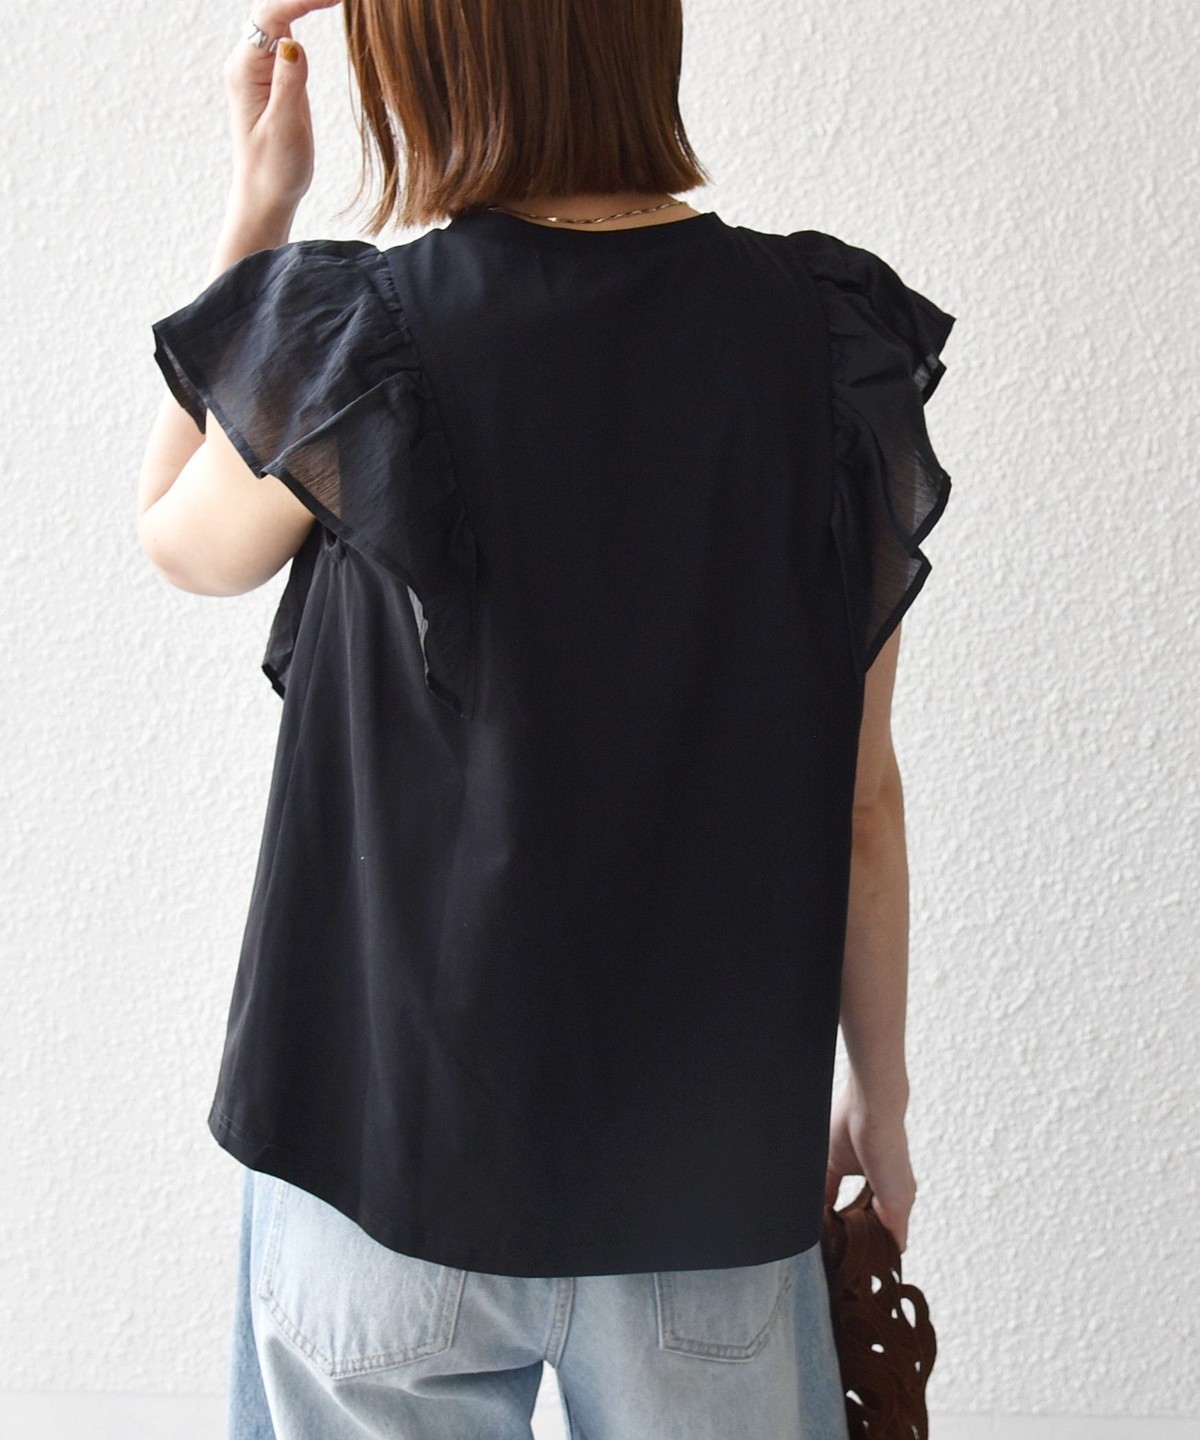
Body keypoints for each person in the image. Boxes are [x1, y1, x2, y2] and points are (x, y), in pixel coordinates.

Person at [136, 1, 956, 1436]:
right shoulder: (826, 343)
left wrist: (259, 208)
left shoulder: (354, 336)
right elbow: (860, 799)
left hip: (379, 1157)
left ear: (423, 58)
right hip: (709, 1190)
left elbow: (178, 539)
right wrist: (879, 1101)